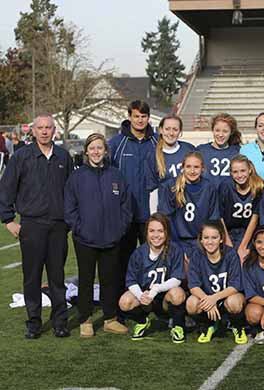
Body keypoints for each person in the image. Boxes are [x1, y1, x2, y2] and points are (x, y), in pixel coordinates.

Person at [0, 114, 73, 339]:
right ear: (33, 131)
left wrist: (69, 220)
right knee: (31, 277)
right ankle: (33, 322)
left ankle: (60, 321)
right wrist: (8, 220)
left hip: (58, 227)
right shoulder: (22, 157)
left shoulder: (64, 156)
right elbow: (6, 189)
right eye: (40, 128)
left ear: (54, 130)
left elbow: (72, 191)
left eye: (48, 128)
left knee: (57, 277)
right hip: (31, 226)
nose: (44, 131)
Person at [64, 133, 132, 337]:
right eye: (92, 148)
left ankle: (110, 318)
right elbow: (69, 207)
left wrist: (118, 229)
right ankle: (85, 319)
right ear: (86, 151)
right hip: (85, 239)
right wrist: (79, 228)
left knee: (109, 279)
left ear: (105, 151)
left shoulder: (116, 175)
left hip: (111, 238)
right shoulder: (77, 177)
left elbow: (126, 206)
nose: (96, 152)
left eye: (99, 148)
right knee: (86, 279)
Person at [109, 100, 158, 307]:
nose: (140, 120)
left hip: (151, 215)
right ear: (129, 116)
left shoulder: (157, 142)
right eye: (136, 116)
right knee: (124, 261)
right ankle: (123, 304)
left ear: (148, 118)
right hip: (125, 214)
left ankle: (154, 304)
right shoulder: (115, 144)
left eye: (144, 116)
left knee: (154, 261)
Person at [118, 213, 187, 343]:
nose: (156, 235)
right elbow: (131, 280)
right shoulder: (139, 253)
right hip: (146, 298)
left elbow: (177, 278)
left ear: (167, 232)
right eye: (152, 231)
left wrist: (156, 289)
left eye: (160, 231)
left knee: (178, 294)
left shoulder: (175, 250)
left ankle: (178, 326)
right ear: (146, 233)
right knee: (125, 302)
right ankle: (142, 321)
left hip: (165, 298)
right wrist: (140, 296)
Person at [186, 221, 248, 344]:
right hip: (207, 299)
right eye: (206, 238)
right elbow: (193, 286)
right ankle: (207, 325)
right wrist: (207, 299)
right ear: (201, 240)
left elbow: (235, 285)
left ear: (221, 239)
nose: (210, 242)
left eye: (214, 237)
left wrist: (214, 298)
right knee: (191, 303)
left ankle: (237, 326)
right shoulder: (196, 255)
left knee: (234, 302)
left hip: (227, 298)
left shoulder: (230, 254)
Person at [158, 151, 220, 258]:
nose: (192, 171)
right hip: (177, 241)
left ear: (203, 169)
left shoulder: (209, 187)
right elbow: (166, 219)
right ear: (182, 167)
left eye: (196, 167)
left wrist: (206, 243)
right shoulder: (170, 186)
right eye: (188, 166)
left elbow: (213, 218)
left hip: (201, 242)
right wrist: (177, 247)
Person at [219, 154, 264, 261]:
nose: (239, 175)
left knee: (243, 259)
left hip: (249, 233)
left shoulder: (258, 187)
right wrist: (228, 243)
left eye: (243, 171)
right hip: (228, 232)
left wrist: (243, 247)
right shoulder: (225, 187)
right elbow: (220, 217)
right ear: (230, 173)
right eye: (235, 172)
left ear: (249, 170)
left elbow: (255, 218)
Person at [146, 115, 195, 213]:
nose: (171, 133)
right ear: (161, 130)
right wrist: (154, 216)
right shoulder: (152, 155)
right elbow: (153, 190)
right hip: (166, 211)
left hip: (188, 208)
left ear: (180, 132)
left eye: (175, 129)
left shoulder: (189, 149)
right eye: (167, 129)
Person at [196, 113, 242, 186]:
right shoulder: (201, 150)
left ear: (231, 132)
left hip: (228, 196)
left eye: (225, 131)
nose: (220, 135)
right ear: (212, 130)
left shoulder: (238, 152)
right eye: (217, 130)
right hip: (207, 195)